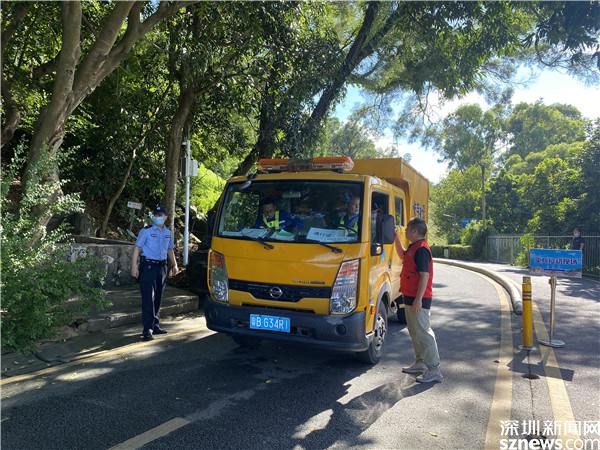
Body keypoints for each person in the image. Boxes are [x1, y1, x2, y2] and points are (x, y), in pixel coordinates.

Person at [394, 217, 442, 383]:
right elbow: (402, 255)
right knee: (415, 332)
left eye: (407, 229)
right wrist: (395, 238)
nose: (405, 231)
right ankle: (420, 363)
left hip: (418, 299)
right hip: (410, 297)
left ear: (415, 231)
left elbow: (424, 276)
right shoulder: (414, 247)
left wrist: (418, 299)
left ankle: (434, 369)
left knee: (424, 333)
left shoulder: (421, 249)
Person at [131, 206, 178, 341]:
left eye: (160, 215)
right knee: (148, 298)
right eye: (156, 215)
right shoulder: (146, 231)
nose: (158, 217)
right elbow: (137, 248)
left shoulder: (168, 233)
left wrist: (174, 264)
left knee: (158, 297)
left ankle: (155, 325)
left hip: (162, 267)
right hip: (148, 267)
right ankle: (147, 329)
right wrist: (134, 266)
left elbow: (170, 249)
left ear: (166, 217)